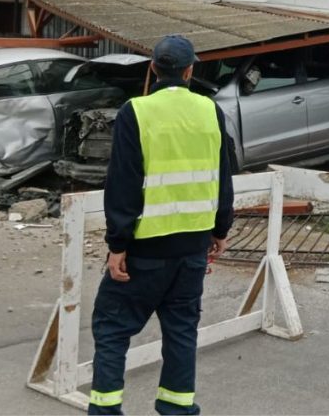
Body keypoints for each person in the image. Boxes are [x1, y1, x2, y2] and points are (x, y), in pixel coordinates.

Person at [89, 35, 235, 416]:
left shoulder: (135, 112)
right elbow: (223, 175)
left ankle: (105, 410)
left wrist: (117, 245)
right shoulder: (210, 111)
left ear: (152, 68)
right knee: (181, 331)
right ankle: (177, 410)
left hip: (145, 250)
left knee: (111, 329)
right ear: (190, 71)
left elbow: (122, 183)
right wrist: (220, 230)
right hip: (191, 249)